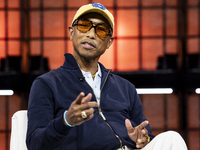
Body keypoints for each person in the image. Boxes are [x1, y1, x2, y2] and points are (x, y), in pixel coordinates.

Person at [26, 3, 188, 150]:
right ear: (71, 32)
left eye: (101, 30)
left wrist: (143, 140)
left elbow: (146, 136)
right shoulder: (47, 83)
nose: (91, 34)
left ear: (109, 42)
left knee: (172, 138)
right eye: (84, 26)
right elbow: (35, 144)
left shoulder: (125, 88)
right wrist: (66, 121)